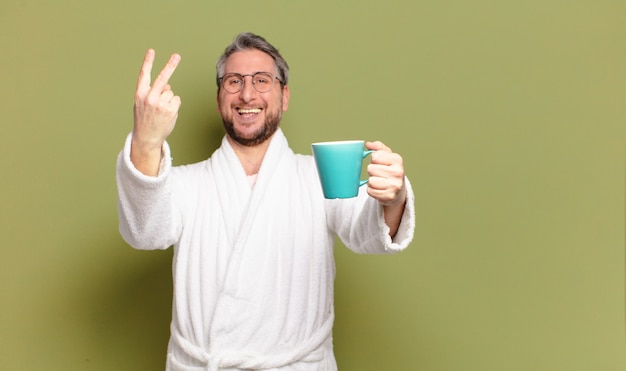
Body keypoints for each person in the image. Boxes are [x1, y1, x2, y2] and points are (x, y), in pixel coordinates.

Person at [116, 32, 415, 371]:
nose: (247, 93)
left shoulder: (320, 178)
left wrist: (394, 197)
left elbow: (369, 232)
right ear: (219, 99)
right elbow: (144, 232)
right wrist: (146, 142)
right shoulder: (185, 185)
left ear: (284, 96)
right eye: (233, 81)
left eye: (262, 80)